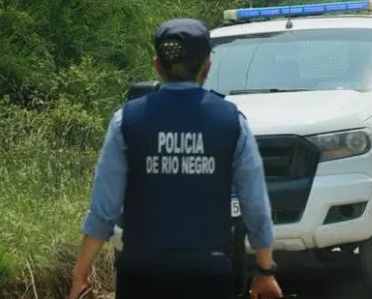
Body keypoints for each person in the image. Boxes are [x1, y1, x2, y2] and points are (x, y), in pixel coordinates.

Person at [66, 19, 283, 299]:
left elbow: (103, 211)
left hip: (141, 277)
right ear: (207, 66)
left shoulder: (126, 121)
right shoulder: (232, 122)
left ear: (157, 65)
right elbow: (255, 204)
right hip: (209, 274)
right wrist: (265, 271)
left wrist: (80, 275)